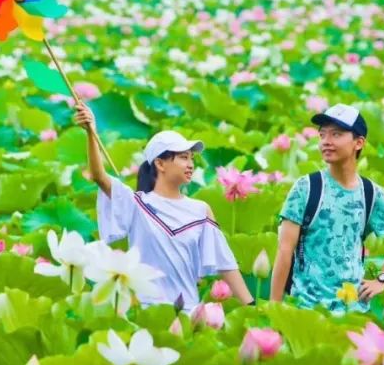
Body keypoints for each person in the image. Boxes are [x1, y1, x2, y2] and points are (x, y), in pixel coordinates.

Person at [74, 101, 254, 314]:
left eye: (192, 158)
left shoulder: (201, 210)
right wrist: (90, 132)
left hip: (188, 312)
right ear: (160, 164)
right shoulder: (137, 204)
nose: (190, 164)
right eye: (183, 157)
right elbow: (98, 176)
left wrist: (251, 308)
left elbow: (225, 263)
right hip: (146, 312)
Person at [269, 103, 384, 313]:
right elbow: (284, 251)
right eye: (322, 135)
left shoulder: (370, 192)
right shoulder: (306, 188)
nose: (326, 142)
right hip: (307, 309)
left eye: (336, 134)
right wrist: (275, 310)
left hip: (354, 310)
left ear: (358, 143)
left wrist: (382, 278)